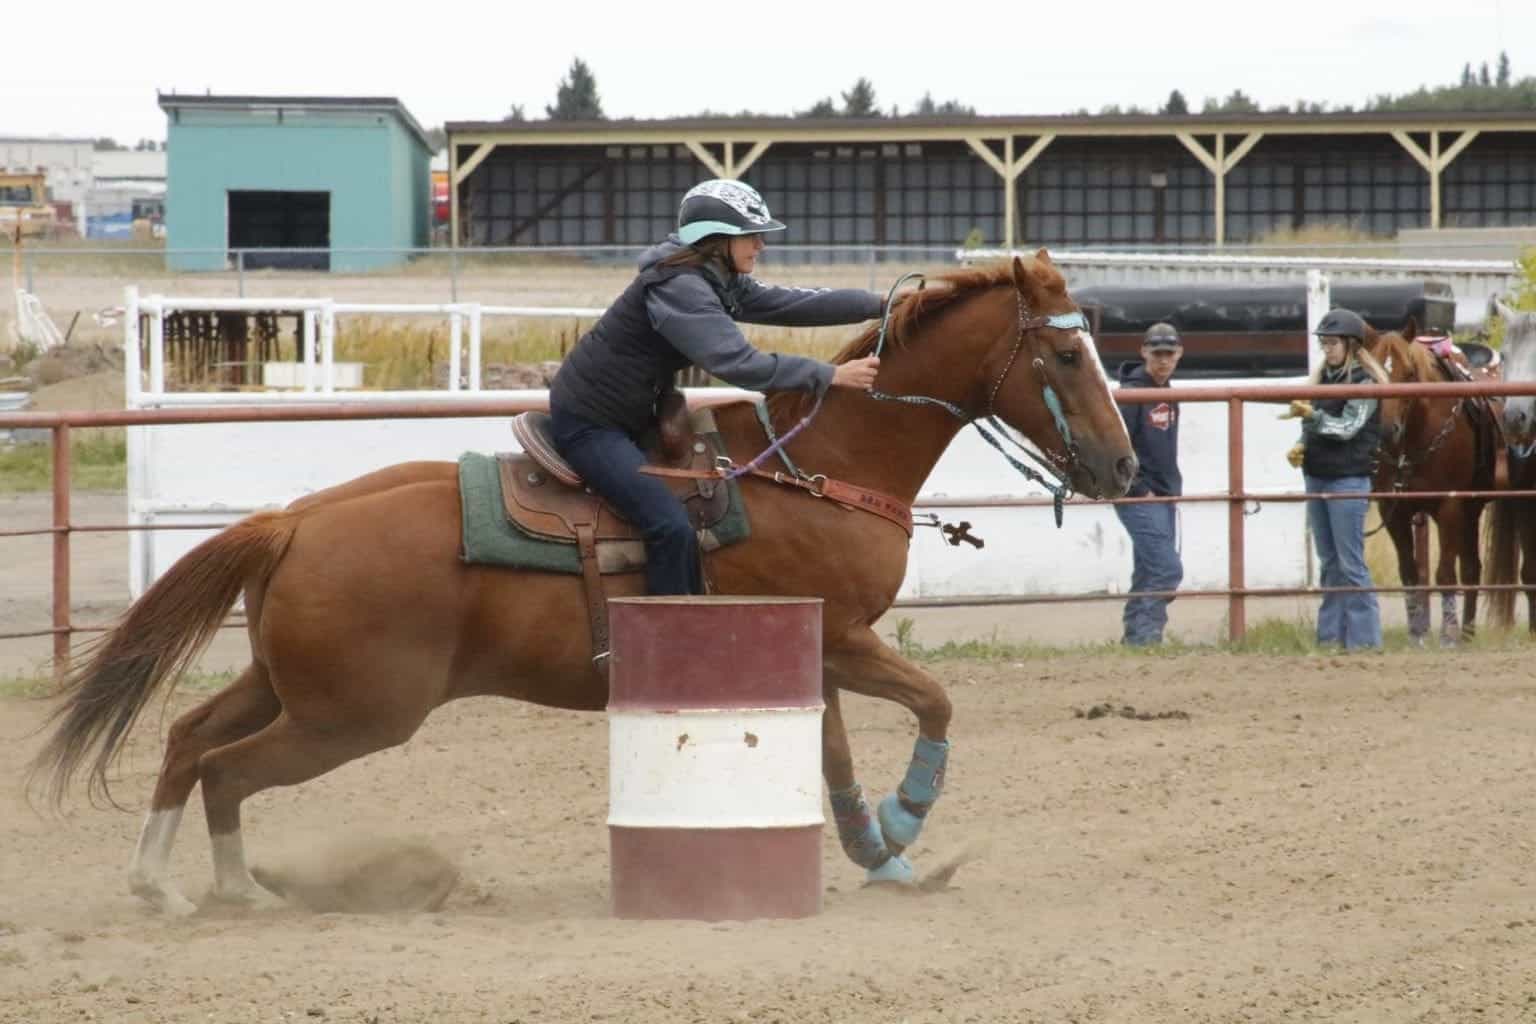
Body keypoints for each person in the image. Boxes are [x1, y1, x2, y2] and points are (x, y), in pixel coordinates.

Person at [548, 178, 884, 597]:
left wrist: (883, 304)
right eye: (751, 235)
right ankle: (664, 647)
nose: (761, 244)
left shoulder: (713, 275)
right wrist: (829, 375)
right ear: (716, 240)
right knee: (670, 527)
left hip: (632, 417)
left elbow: (792, 303)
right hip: (592, 426)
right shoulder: (680, 286)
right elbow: (736, 363)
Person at [1285, 307, 1388, 650]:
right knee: (1330, 562)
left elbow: (1347, 428)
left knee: (1350, 561)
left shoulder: (1366, 383)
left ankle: (1364, 639)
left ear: (1351, 345)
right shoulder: (1323, 381)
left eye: (1332, 343)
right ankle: (1331, 636)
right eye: (1324, 343)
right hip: (1318, 475)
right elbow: (1315, 425)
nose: (1327, 349)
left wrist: (1311, 417)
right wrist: (1302, 444)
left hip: (1348, 478)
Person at [1113, 322, 1185, 646]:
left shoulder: (1165, 392)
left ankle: (1135, 639)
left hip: (1161, 492)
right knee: (1166, 569)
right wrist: (1141, 488)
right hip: (1142, 493)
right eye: (1157, 353)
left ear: (1179, 354)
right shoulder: (1132, 394)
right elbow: (1118, 447)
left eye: (1169, 354)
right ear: (1144, 352)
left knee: (1148, 570)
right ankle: (1146, 638)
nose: (1163, 360)